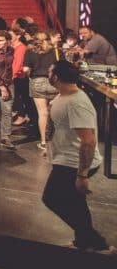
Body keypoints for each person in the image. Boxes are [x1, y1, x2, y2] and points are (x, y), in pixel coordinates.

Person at [42, 61, 114, 253]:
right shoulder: (64, 95)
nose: (48, 74)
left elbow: (88, 141)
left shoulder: (76, 103)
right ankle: (85, 242)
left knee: (51, 198)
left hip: (73, 163)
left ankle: (95, 241)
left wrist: (82, 175)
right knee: (76, 204)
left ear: (56, 77)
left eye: (50, 71)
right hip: (66, 159)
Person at [24, 32, 60, 151]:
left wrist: (29, 74)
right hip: (53, 82)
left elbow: (25, 69)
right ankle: (55, 141)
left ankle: (44, 142)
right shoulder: (55, 51)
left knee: (42, 113)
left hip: (37, 81)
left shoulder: (29, 51)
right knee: (54, 113)